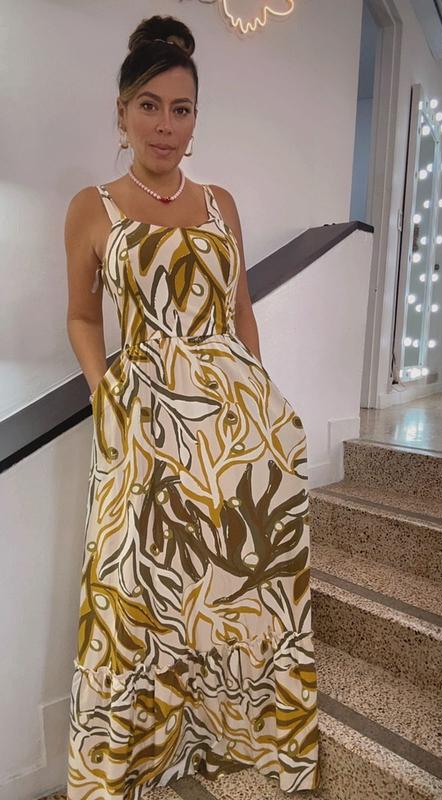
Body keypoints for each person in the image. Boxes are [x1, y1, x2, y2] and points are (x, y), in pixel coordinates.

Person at [64, 13, 320, 799]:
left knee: (240, 588)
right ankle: (136, 757)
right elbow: (82, 318)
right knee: (137, 594)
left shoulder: (219, 203)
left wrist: (262, 397)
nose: (165, 125)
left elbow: (240, 311)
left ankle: (231, 736)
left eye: (181, 109)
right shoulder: (92, 208)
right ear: (121, 111)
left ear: (196, 119)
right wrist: (104, 392)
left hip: (231, 424)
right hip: (143, 421)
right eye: (149, 105)